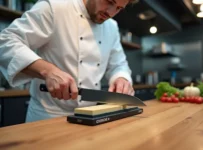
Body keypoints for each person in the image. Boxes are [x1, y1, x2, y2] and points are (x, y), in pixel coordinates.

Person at [0, 0, 136, 122]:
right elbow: (6, 41)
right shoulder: (55, 7)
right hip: (48, 118)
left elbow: (119, 64)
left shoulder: (112, 27)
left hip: (91, 116)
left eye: (119, 8)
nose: (111, 13)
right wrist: (48, 71)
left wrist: (121, 78)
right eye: (109, 2)